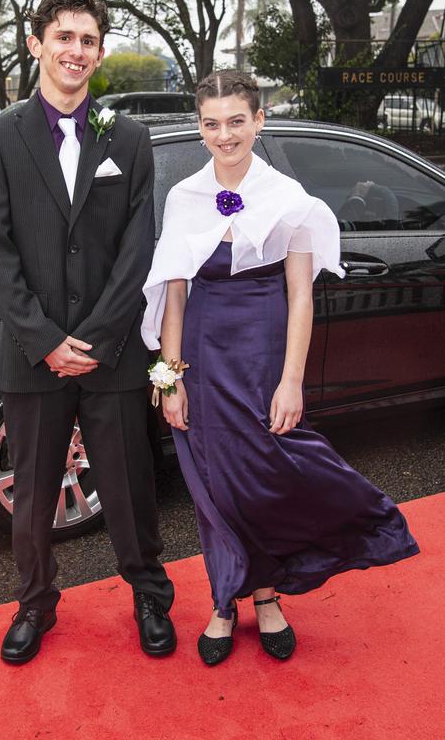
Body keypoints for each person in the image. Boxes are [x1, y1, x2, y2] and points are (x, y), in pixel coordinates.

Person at [142, 71, 418, 665]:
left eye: (236, 121)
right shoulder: (183, 197)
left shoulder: (289, 198)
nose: (225, 135)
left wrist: (291, 380)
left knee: (263, 477)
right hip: (203, 357)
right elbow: (174, 295)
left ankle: (265, 595)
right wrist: (171, 377)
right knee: (214, 483)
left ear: (258, 121)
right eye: (212, 124)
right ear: (200, 128)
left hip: (265, 355)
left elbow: (301, 294)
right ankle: (225, 599)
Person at [0, 0, 175, 665]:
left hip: (111, 351)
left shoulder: (130, 137)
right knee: (33, 496)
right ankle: (34, 604)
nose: (76, 50)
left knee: (127, 484)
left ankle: (150, 594)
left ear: (100, 51)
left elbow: (137, 249)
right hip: (31, 354)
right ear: (37, 44)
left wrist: (95, 336)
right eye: (64, 37)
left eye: (88, 40)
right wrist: (45, 339)